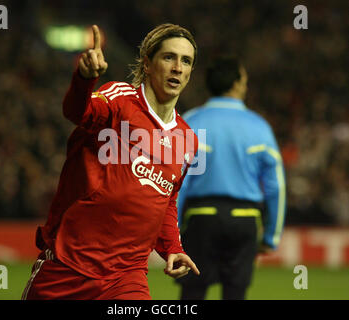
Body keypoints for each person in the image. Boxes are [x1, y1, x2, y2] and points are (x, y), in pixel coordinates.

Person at [22, 24, 200, 300]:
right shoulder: (120, 101)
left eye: (185, 61)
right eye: (169, 57)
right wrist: (83, 78)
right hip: (69, 266)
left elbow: (166, 198)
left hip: (126, 278)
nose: (178, 67)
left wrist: (173, 247)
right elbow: (76, 112)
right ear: (148, 64)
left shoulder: (187, 138)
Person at [176, 56, 286, 300]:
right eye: (244, 80)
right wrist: (271, 236)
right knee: (235, 294)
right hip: (245, 219)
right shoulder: (260, 127)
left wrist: (170, 234)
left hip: (200, 218)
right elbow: (275, 185)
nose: (246, 86)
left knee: (192, 292)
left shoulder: (190, 121)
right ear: (236, 84)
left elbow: (177, 181)